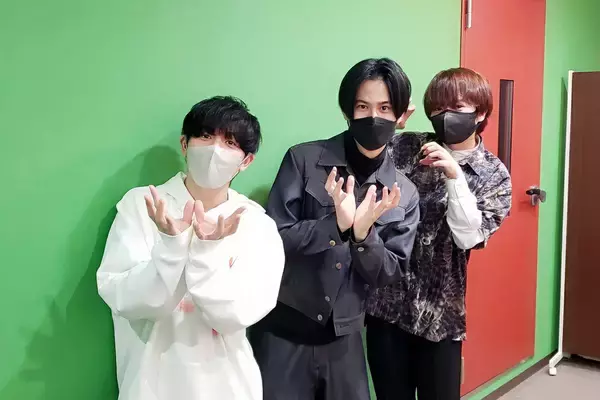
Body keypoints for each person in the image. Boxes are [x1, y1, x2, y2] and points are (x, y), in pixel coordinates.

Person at [249, 58, 420, 400]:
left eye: (385, 108)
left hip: (344, 340)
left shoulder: (403, 193)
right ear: (347, 111)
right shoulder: (303, 160)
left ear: (401, 116)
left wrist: (363, 236)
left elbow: (388, 272)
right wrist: (335, 226)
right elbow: (273, 239)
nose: (374, 117)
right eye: (363, 106)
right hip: (282, 331)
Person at [96, 96, 285, 400]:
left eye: (230, 143)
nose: (215, 151)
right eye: (206, 136)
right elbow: (126, 299)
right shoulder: (143, 205)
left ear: (246, 161)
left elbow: (236, 314)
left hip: (229, 387)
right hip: (150, 386)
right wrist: (171, 249)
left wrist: (207, 253)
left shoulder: (256, 224)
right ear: (184, 144)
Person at [366, 68, 513, 400]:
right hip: (387, 305)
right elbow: (362, 160)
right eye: (437, 107)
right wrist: (388, 126)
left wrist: (454, 176)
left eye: (457, 106)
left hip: (440, 316)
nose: (445, 115)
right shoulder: (407, 146)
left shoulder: (493, 175)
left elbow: (469, 237)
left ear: (481, 112)